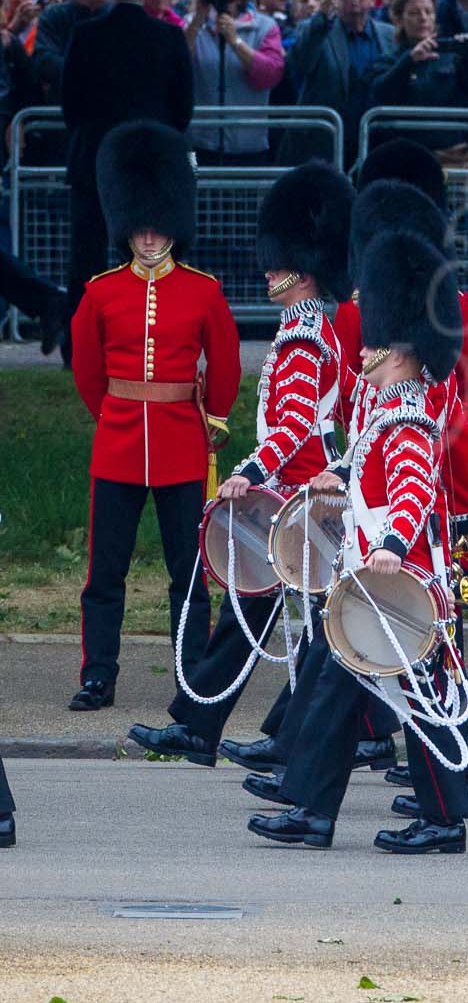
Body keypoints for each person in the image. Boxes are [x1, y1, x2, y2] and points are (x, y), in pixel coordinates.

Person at [253, 227, 468, 854]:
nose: (366, 348)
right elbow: (370, 467)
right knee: (331, 695)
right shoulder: (388, 410)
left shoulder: (404, 417)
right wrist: (339, 476)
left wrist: (393, 550)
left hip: (393, 584)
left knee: (421, 700)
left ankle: (444, 821)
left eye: (378, 340)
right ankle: (312, 811)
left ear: (400, 350)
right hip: (367, 586)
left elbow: (409, 493)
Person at [127, 164, 353, 766]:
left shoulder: (305, 338)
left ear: (303, 271)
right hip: (290, 494)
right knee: (251, 609)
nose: (268, 273)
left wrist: (249, 473)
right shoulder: (300, 329)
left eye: (278, 267)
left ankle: (313, 734)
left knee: (319, 626)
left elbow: (294, 424)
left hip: (303, 498)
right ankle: (203, 726)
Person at [68, 121, 241, 713]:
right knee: (104, 573)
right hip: (117, 445)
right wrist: (115, 413)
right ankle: (98, 675)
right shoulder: (101, 292)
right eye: (139, 228)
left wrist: (211, 418)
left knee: (188, 573)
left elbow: (224, 365)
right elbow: (89, 372)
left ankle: (191, 674)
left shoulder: (203, 291)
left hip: (179, 447)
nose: (148, 238)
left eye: (157, 227)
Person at [56, 0, 192, 333]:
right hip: (151, 163)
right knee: (149, 257)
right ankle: (146, 336)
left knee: (86, 256)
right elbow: (182, 109)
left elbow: (71, 105)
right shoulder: (169, 38)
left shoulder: (86, 35)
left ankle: (78, 342)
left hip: (94, 160)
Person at [185, 0, 286, 165]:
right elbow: (176, 69)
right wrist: (197, 19)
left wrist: (235, 41)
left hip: (249, 146)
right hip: (199, 146)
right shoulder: (191, 25)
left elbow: (270, 76)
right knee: (198, 197)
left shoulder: (264, 26)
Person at [284, 0, 392, 165]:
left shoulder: (390, 35)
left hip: (376, 139)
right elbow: (299, 64)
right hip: (328, 142)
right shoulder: (316, 30)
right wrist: (322, 17)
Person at [373, 0, 468, 154]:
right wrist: (409, 61)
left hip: (449, 151)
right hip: (405, 150)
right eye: (414, 13)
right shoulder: (388, 60)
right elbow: (380, 93)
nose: (423, 18)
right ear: (399, 19)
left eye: (428, 12)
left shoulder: (451, 58)